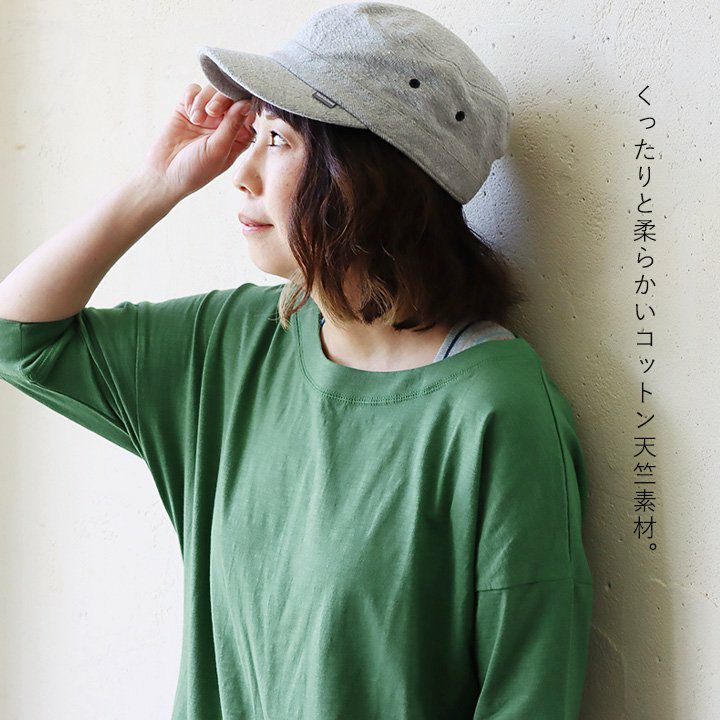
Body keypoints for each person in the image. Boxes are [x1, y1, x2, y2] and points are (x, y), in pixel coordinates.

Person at [0, 3, 593, 718]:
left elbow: (528, 694)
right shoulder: (235, 344)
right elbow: (20, 337)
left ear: (369, 177)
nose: (240, 172)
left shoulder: (495, 412)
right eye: (254, 132)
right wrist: (156, 183)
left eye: (278, 140)